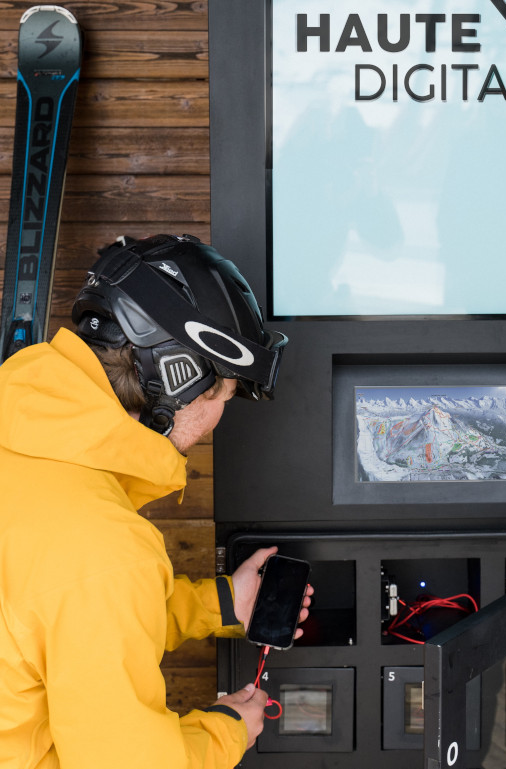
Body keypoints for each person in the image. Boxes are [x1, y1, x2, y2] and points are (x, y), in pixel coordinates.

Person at [0, 234, 312, 769]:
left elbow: (58, 623)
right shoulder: (103, 547)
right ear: (180, 377)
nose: (217, 420)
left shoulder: (25, 445)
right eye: (227, 395)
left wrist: (219, 605)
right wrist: (227, 731)